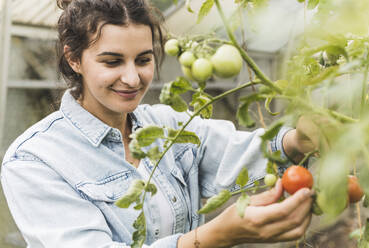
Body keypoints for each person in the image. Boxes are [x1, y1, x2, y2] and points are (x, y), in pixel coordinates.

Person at [0, 0, 314, 247]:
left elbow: (237, 151)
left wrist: (297, 140)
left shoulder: (166, 124)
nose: (133, 78)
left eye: (144, 59)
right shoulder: (35, 160)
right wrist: (214, 237)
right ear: (73, 59)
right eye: (112, 61)